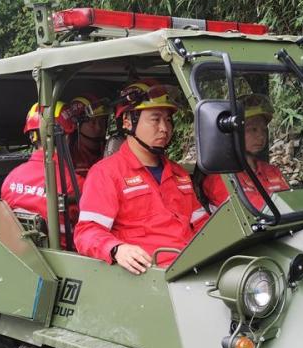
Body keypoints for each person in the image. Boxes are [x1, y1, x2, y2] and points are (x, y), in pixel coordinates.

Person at [74, 82, 208, 273]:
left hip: (193, 269)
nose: (164, 128)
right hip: (148, 275)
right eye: (155, 119)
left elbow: (203, 226)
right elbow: (86, 232)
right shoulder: (106, 173)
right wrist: (117, 249)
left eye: (168, 119)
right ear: (128, 121)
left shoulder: (179, 174)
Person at [0, 96, 109, 248]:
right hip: (69, 260)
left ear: (33, 136)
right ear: (67, 135)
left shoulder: (10, 179)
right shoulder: (76, 184)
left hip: (25, 254)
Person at [201, 94, 290, 210]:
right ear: (233, 132)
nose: (261, 136)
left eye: (264, 129)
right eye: (253, 129)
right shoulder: (222, 178)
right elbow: (247, 215)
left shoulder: (272, 171)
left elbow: (292, 203)